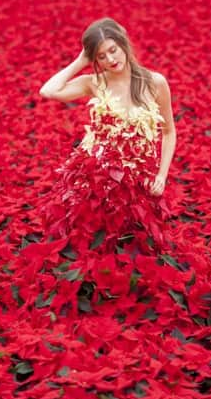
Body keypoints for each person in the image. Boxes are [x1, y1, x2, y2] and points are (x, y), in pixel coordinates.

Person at [38, 17, 176, 256]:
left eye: (113, 50)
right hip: (96, 180)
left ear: (124, 44)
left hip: (138, 181)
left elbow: (169, 131)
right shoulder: (93, 82)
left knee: (135, 247)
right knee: (93, 247)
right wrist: (82, 59)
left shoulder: (154, 82)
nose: (111, 60)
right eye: (101, 56)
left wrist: (161, 176)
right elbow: (48, 91)